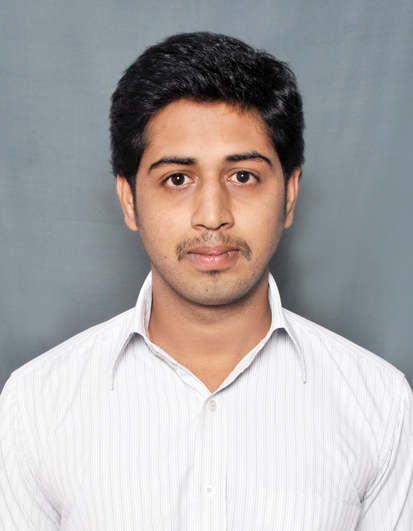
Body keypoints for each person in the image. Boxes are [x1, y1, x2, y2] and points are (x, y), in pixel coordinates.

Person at [0, 32, 412, 530]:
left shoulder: (380, 406)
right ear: (129, 201)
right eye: (178, 179)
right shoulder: (35, 406)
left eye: (243, 176)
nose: (213, 215)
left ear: (289, 195)